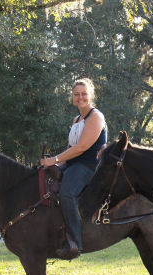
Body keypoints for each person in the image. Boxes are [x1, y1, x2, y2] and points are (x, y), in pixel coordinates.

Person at [41, 78, 107, 259]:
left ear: (91, 95)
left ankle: (75, 243)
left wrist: (54, 159)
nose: (80, 97)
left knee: (66, 193)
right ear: (72, 97)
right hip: (73, 164)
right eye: (77, 94)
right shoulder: (76, 119)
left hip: (89, 165)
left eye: (84, 94)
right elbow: (71, 149)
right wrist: (53, 164)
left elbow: (82, 147)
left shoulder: (96, 117)